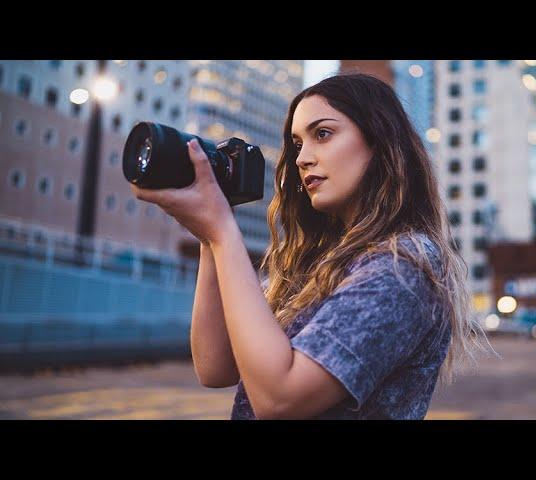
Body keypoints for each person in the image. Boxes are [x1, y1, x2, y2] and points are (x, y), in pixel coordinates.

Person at [131, 72, 489, 420]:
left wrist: (224, 233)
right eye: (298, 144)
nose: (302, 158)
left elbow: (280, 399)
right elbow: (215, 368)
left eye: (323, 134)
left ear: (380, 142)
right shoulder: (323, 263)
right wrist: (210, 237)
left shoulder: (402, 266)